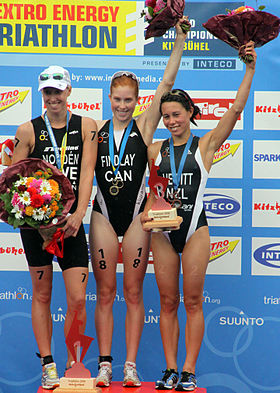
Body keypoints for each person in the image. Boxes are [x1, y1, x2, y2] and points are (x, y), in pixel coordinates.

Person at [141, 42, 257, 391]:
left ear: (190, 112)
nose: (172, 121)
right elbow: (151, 193)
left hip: (195, 230)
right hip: (162, 233)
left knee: (192, 300)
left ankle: (189, 371)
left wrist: (249, 69)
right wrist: (149, 214)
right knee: (166, 301)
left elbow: (236, 110)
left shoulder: (205, 145)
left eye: (177, 114)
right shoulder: (154, 149)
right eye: (166, 116)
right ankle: (170, 369)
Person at [89, 19, 188, 387]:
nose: (123, 106)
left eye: (129, 100)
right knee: (104, 292)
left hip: (134, 217)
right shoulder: (94, 131)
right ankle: (104, 364)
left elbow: (166, 83)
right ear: (108, 98)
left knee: (132, 292)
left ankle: (129, 365)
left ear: (137, 99)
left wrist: (178, 42)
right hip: (101, 215)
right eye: (117, 100)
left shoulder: (144, 126)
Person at [12, 65, 98, 389]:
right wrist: (36, 222)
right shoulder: (28, 130)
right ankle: (48, 364)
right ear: (42, 95)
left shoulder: (86, 126)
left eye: (57, 91)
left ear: (69, 91)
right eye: (47, 92)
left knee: (77, 299)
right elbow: (13, 181)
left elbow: (87, 172)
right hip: (36, 229)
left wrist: (78, 215)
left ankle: (74, 364)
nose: (52, 98)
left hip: (72, 226)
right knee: (42, 294)